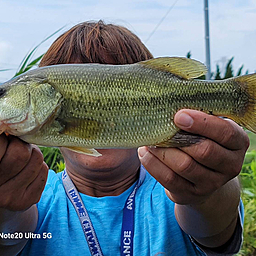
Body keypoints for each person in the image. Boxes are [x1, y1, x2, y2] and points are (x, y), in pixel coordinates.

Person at [0, 21, 247, 256]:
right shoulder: (29, 194)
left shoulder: (177, 190)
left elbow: (214, 228)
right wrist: (5, 211)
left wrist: (209, 192)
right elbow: (11, 235)